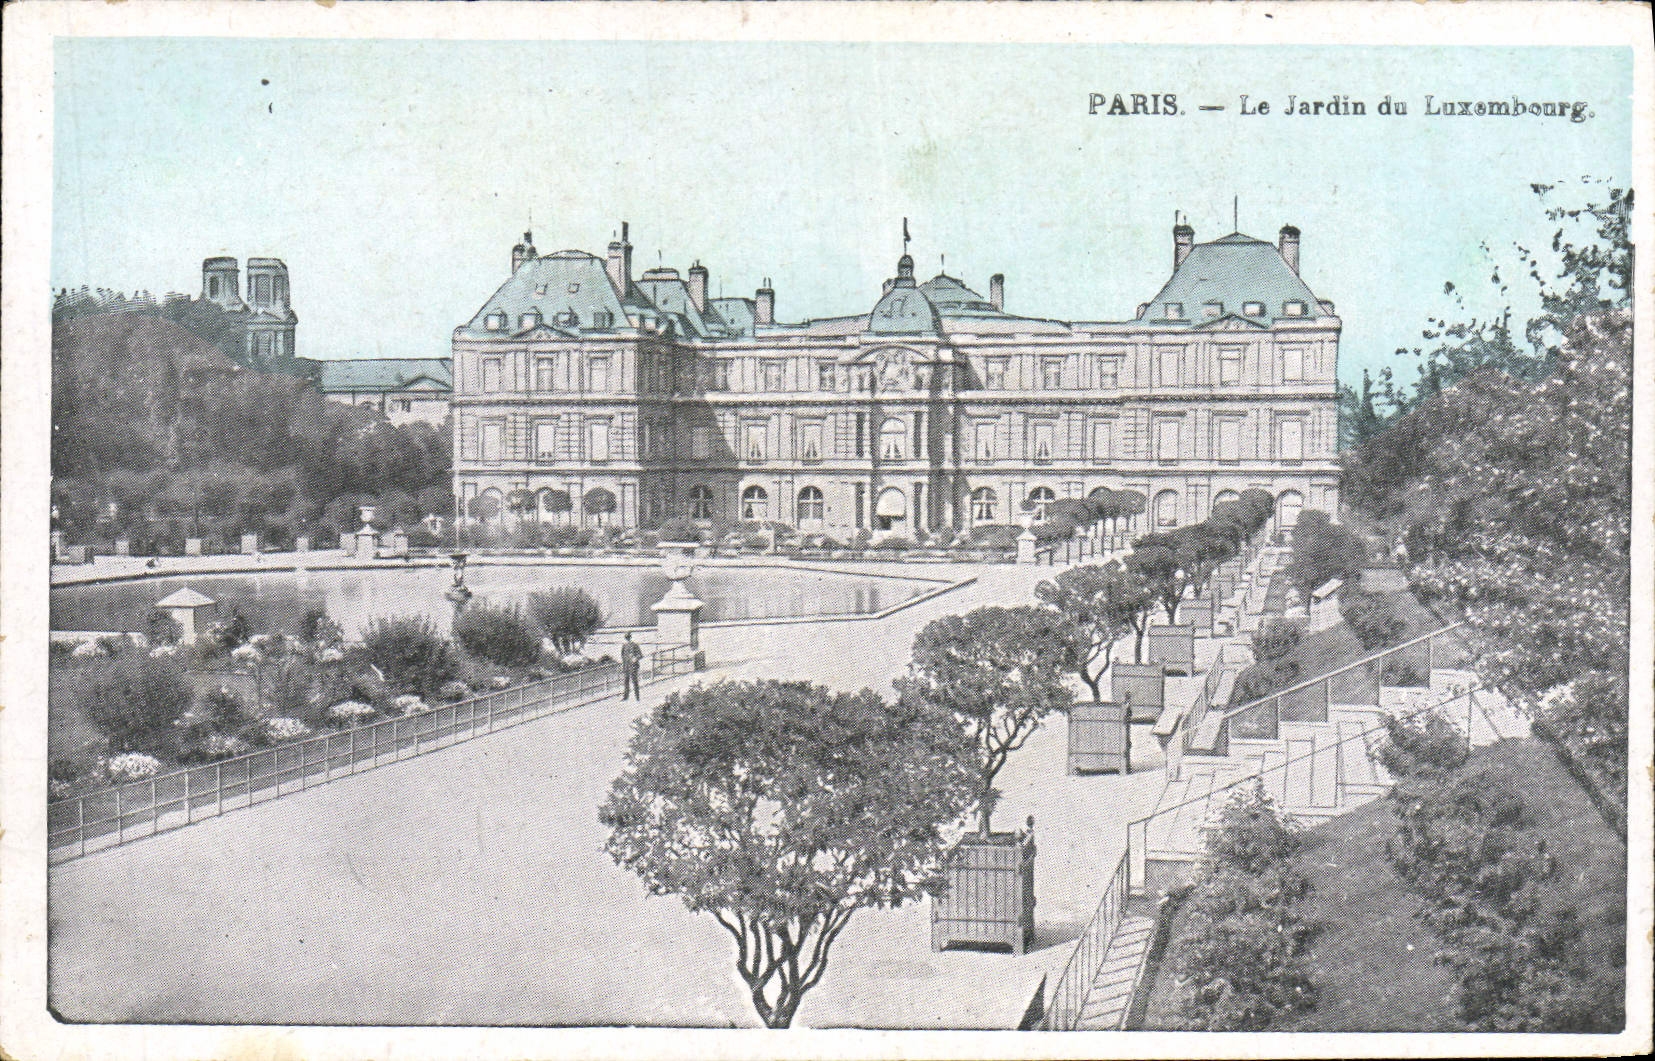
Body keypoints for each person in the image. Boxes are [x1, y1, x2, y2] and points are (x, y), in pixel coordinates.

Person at [620, 632, 643, 701]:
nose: (627, 639)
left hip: (633, 666)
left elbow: (640, 655)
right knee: (626, 682)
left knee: (634, 681)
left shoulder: (635, 645)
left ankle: (637, 697)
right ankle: (625, 697)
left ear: (630, 637)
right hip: (626, 666)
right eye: (626, 638)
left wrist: (635, 658)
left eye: (628, 637)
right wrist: (623, 665)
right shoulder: (624, 646)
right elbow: (622, 656)